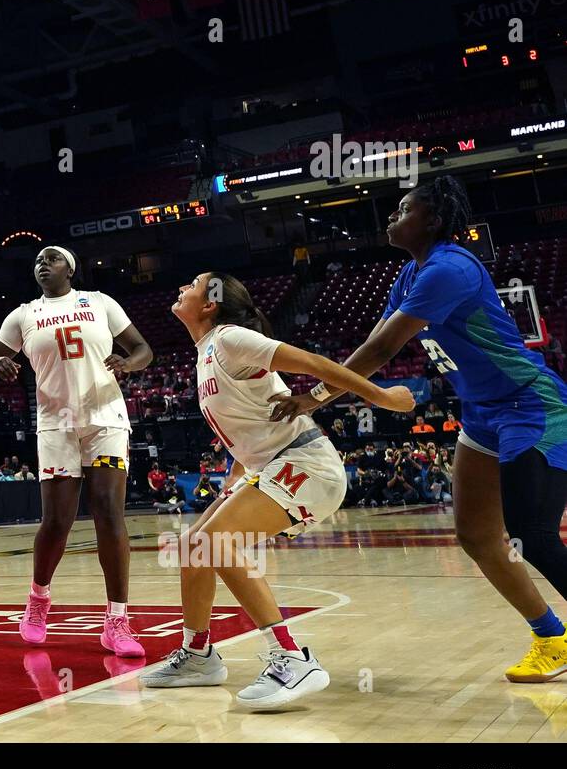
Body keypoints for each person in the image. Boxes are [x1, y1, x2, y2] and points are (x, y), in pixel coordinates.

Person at [271, 175, 567, 682]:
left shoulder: (450, 268)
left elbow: (383, 351)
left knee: (532, 533)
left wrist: (314, 398)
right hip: (480, 412)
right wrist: (330, 390)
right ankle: (552, 637)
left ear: (431, 219)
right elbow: (373, 345)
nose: (391, 216)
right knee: (476, 535)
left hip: (530, 407)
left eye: (403, 209)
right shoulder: (411, 273)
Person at [141, 272, 415, 708]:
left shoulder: (231, 338)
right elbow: (251, 425)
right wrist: (234, 478)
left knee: (217, 542)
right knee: (195, 546)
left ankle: (291, 657)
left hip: (308, 464)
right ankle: (198, 656)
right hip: (271, 465)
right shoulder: (207, 352)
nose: (181, 287)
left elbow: (313, 362)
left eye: (191, 284)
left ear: (210, 303)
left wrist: (380, 397)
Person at [0, 245, 153, 658]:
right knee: (57, 520)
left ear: (70, 269)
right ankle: (38, 600)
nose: (43, 263)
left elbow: (143, 349)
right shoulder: (23, 314)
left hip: (105, 417)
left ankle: (117, 620)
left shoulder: (99, 303)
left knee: (109, 510)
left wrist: (129, 364)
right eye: (37, 259)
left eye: (52, 258)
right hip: (56, 422)